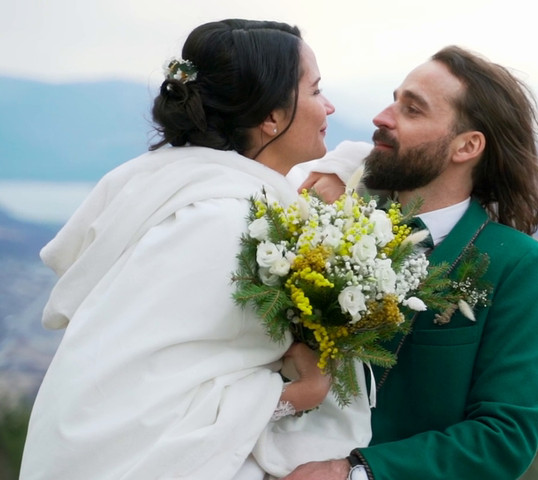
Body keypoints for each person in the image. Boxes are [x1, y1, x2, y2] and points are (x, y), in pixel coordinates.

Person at [21, 19, 369, 480]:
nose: (329, 106)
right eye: (315, 90)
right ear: (271, 117)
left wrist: (354, 163)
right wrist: (301, 394)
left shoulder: (193, 187)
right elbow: (151, 407)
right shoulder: (219, 223)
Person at [284, 45, 538, 480]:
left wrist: (355, 473)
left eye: (411, 110)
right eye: (394, 100)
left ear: (467, 146)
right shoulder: (329, 215)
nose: (382, 116)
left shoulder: (518, 265)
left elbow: (506, 435)